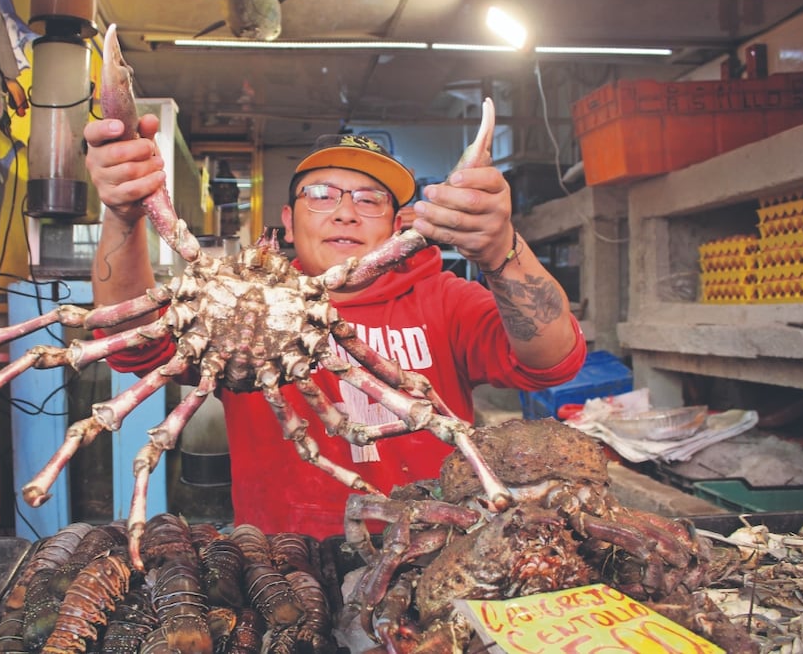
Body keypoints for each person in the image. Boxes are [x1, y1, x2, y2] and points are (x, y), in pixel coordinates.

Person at [84, 115, 586, 539]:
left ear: (398, 223)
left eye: (371, 200)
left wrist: (502, 251)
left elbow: (553, 362)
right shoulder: (232, 302)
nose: (346, 212)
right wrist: (125, 215)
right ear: (287, 218)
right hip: (279, 559)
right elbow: (132, 348)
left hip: (433, 546)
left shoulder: (445, 297)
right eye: (321, 194)